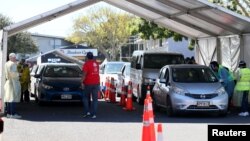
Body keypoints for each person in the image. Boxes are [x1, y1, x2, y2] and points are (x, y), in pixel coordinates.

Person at [82, 52, 100, 119]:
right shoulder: (96, 64)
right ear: (92, 57)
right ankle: (94, 114)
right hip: (96, 83)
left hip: (88, 83)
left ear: (87, 57)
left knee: (85, 97)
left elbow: (84, 74)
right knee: (95, 99)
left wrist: (81, 82)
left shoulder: (86, 64)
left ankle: (87, 112)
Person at [4, 53, 22, 119]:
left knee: (9, 99)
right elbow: (13, 74)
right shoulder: (13, 64)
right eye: (14, 57)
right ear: (11, 57)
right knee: (13, 99)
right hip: (13, 83)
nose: (15, 59)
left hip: (8, 82)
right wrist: (19, 74)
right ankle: (13, 114)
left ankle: (8, 113)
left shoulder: (6, 63)